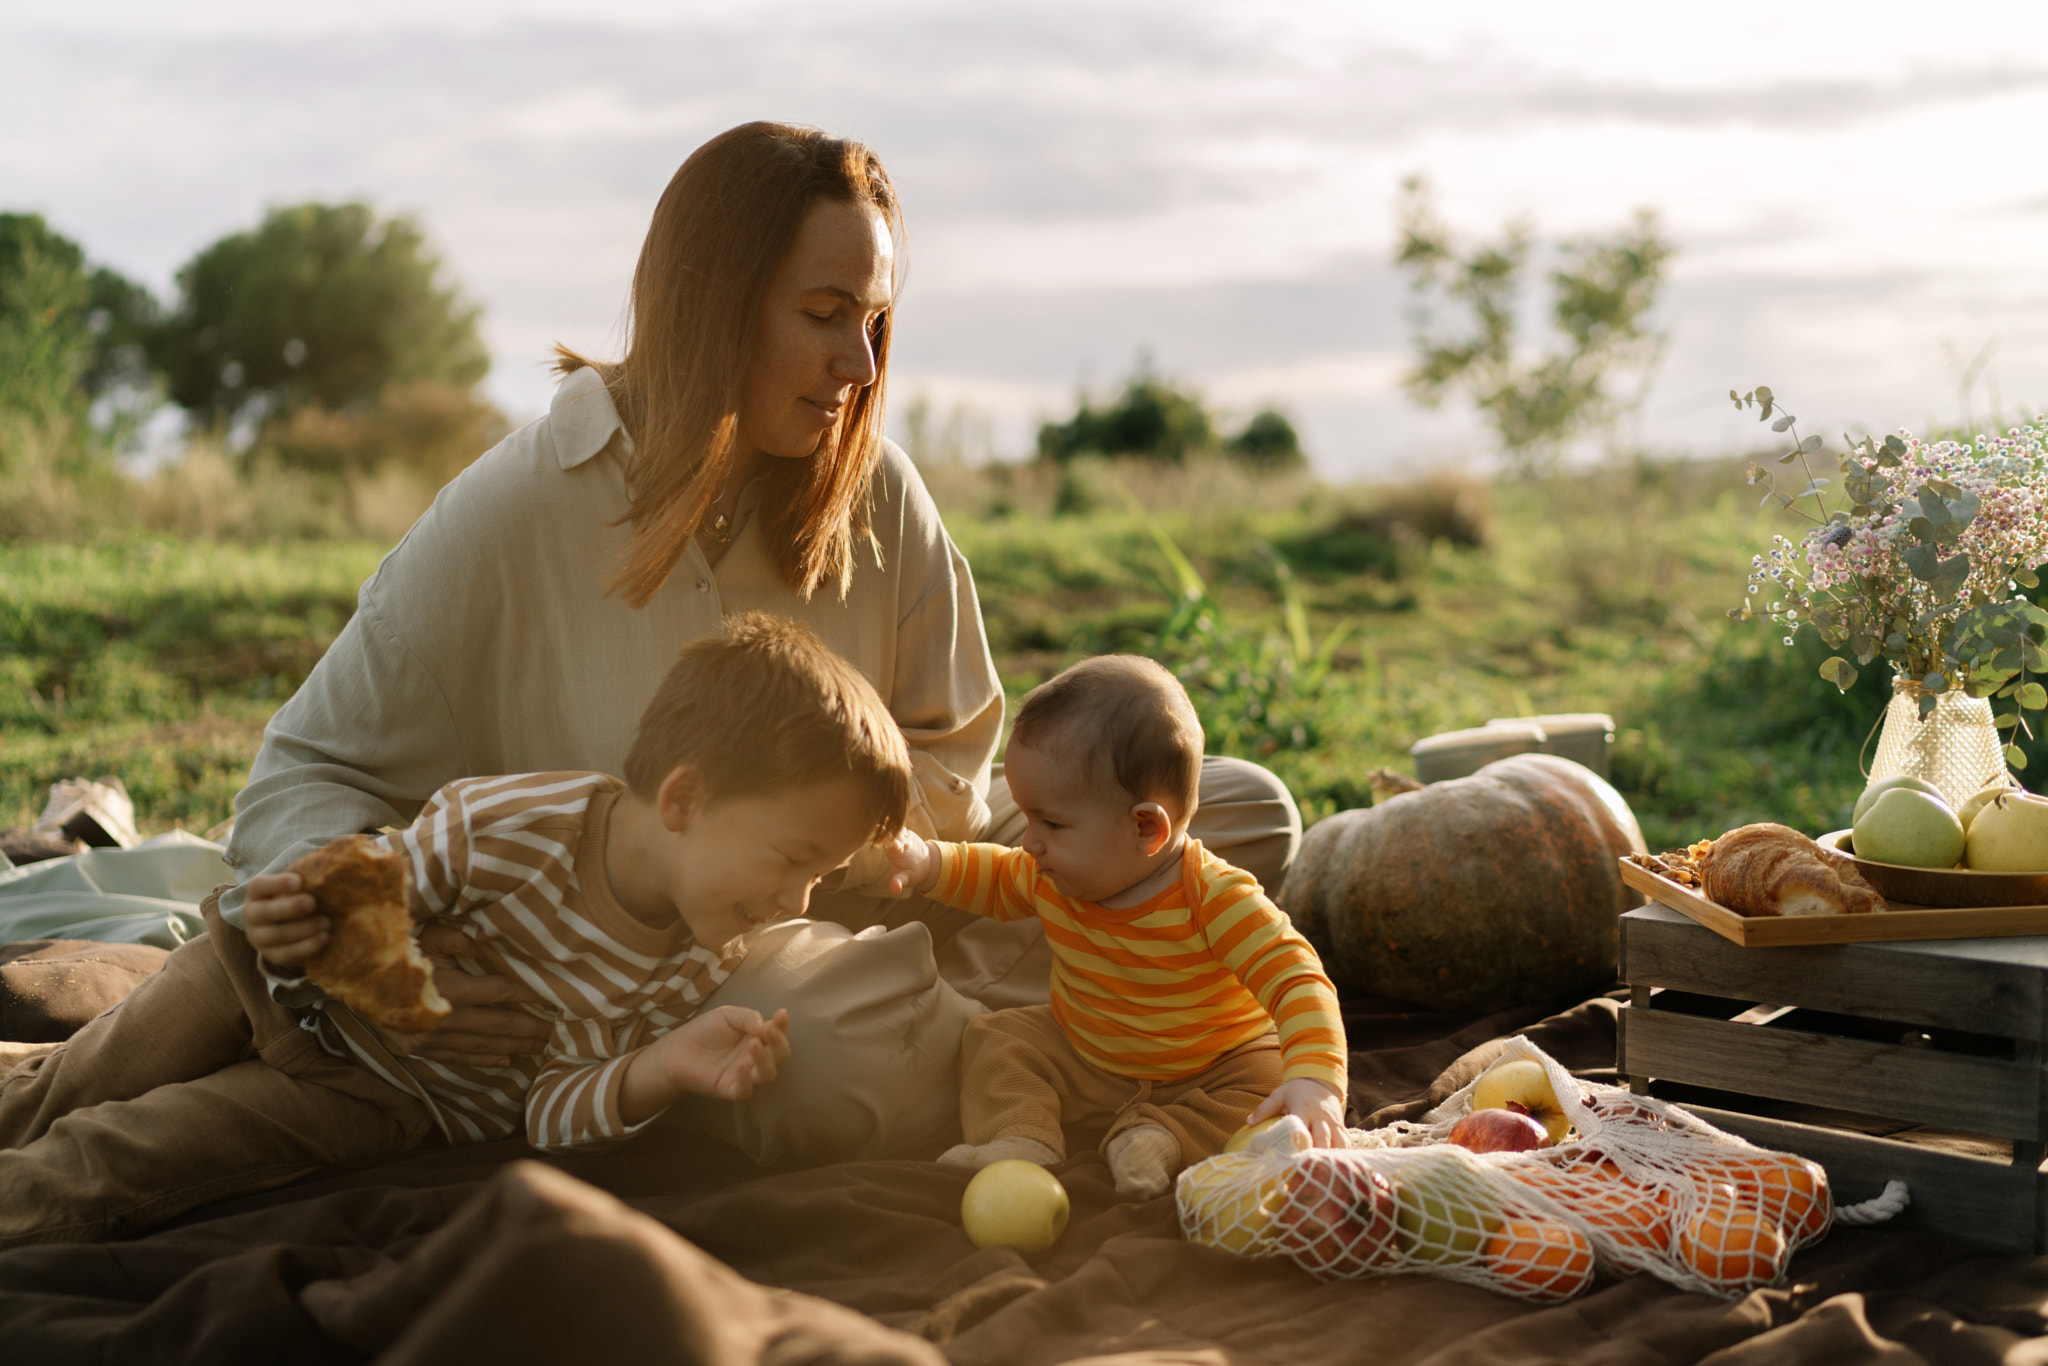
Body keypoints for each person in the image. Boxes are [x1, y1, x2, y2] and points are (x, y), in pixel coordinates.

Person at [213, 120, 1304, 1164]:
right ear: (713, 305)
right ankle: (1051, 1036)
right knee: (833, 1053)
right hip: (664, 962)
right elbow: (300, 778)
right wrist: (393, 948)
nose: (861, 364)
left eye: (873, 322)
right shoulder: (514, 510)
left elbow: (961, 757)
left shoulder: (875, 490)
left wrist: (833, 846)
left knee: (1238, 813)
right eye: (826, 313)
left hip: (888, 885)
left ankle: (1026, 1030)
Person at [0, 615, 909, 1247]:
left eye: (821, 878)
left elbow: (549, 1108)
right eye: (793, 859)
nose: (798, 902)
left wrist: (656, 1072)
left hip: (380, 1099)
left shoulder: (695, 963)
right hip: (269, 990)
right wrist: (327, 934)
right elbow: (367, 888)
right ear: (685, 798)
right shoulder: (513, 824)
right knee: (76, 1083)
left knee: (126, 1154)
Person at [884, 656, 1346, 1199]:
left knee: (1267, 1084)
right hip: (1087, 1054)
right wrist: (928, 862)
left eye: (1051, 823)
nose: (1030, 841)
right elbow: (991, 875)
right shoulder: (1049, 872)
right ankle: (1020, 1140)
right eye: (1028, 818)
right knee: (999, 1038)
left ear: (1146, 827)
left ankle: (1163, 1137)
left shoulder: (1217, 899)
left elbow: (1297, 978)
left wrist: (1315, 1079)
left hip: (1214, 1063)